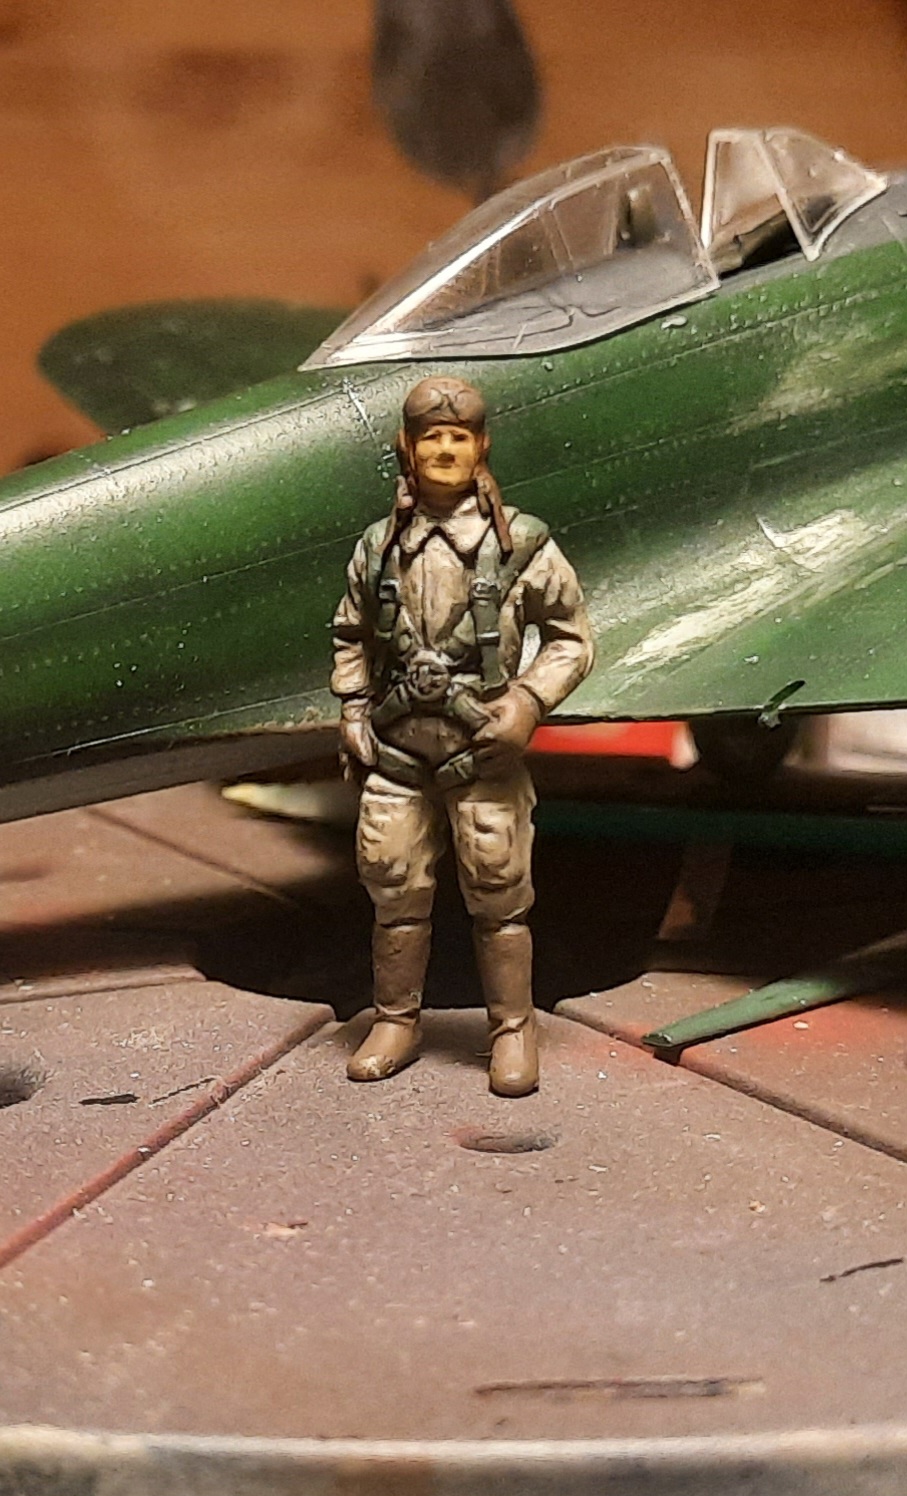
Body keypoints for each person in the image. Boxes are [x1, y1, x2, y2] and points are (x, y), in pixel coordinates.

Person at [331, 376, 593, 1095]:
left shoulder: (522, 546)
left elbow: (570, 637)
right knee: (393, 890)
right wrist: (352, 709)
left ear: (480, 446)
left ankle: (511, 1029)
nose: (443, 450)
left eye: (457, 436)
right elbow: (350, 634)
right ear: (406, 448)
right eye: (429, 437)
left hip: (482, 756)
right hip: (396, 754)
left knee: (499, 896)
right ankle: (395, 1020)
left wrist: (528, 702)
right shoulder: (378, 548)